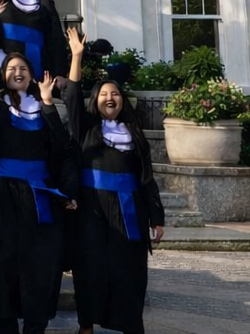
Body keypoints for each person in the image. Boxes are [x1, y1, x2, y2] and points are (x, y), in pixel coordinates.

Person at [0, 0, 79, 334]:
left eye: (23, 69)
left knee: (39, 263)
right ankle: (3, 324)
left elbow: (63, 148)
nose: (17, 73)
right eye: (11, 69)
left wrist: (46, 102)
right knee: (0, 262)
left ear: (32, 76)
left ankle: (35, 324)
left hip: (39, 198)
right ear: (3, 76)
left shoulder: (44, 108)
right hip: (0, 197)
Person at [63, 27, 164, 334]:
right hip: (92, 208)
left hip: (130, 209)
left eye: (115, 93)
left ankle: (131, 323)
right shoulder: (87, 127)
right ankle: (86, 323)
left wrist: (157, 217)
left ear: (122, 100)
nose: (110, 98)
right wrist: (77, 57)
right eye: (104, 94)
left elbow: (146, 177)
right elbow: (70, 97)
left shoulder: (135, 134)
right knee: (90, 267)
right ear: (96, 99)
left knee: (129, 269)